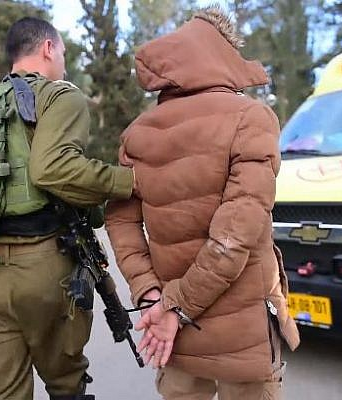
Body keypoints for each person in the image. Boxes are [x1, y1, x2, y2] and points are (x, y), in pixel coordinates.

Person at [105, 7, 300, 400]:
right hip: (238, 337)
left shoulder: (136, 135)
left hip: (171, 332)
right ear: (223, 57)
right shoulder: (251, 119)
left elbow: (121, 223)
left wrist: (152, 296)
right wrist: (176, 307)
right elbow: (234, 237)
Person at [0, 17, 135, 400]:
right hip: (45, 270)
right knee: (66, 384)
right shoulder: (59, 96)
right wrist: (127, 181)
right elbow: (53, 169)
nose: (63, 60)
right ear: (48, 48)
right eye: (62, 51)